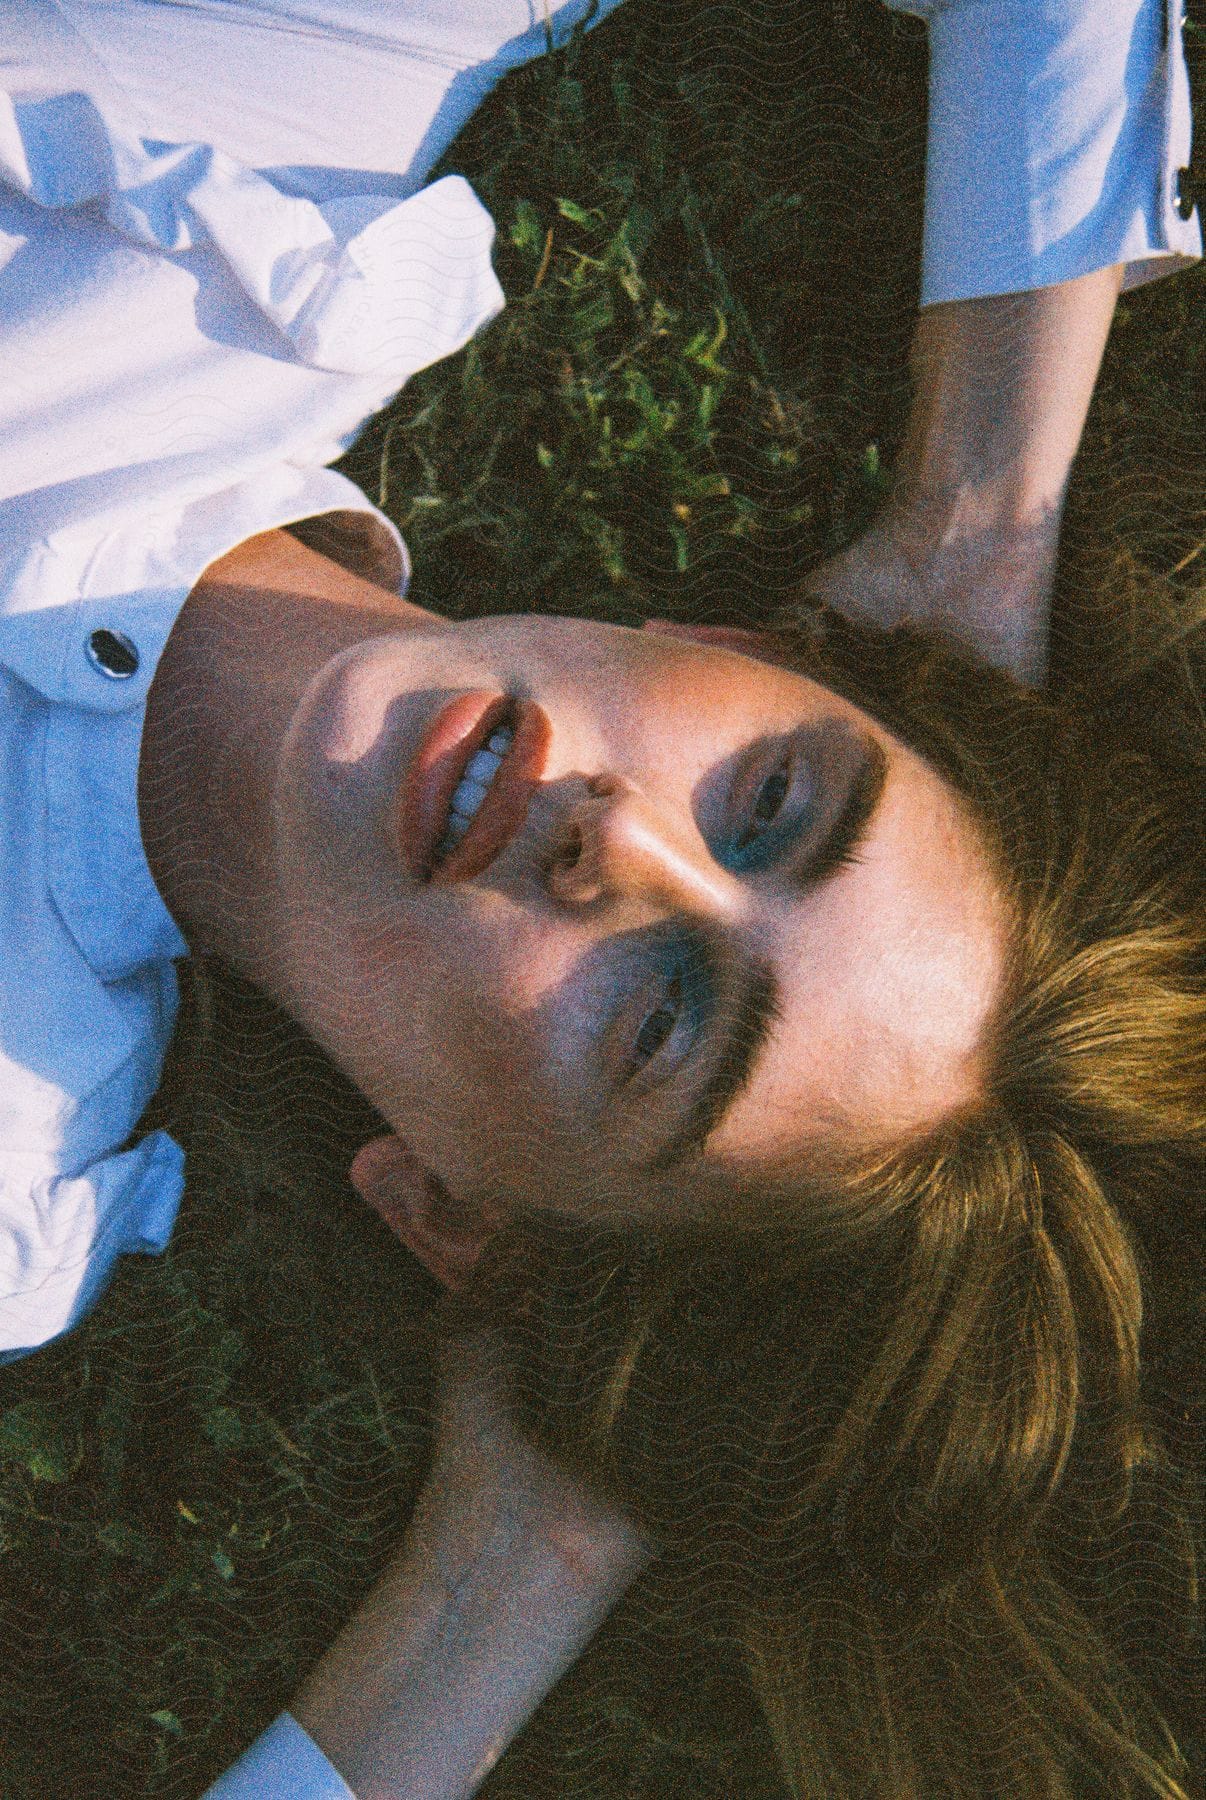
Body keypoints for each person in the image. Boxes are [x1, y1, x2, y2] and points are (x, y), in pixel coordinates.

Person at [0, 0, 1200, 1795]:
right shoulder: (293, 107)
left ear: (459, 1222)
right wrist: (974, 521)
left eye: (661, 1022)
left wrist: (519, 1559)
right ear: (732, 647)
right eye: (775, 797)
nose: (614, 845)